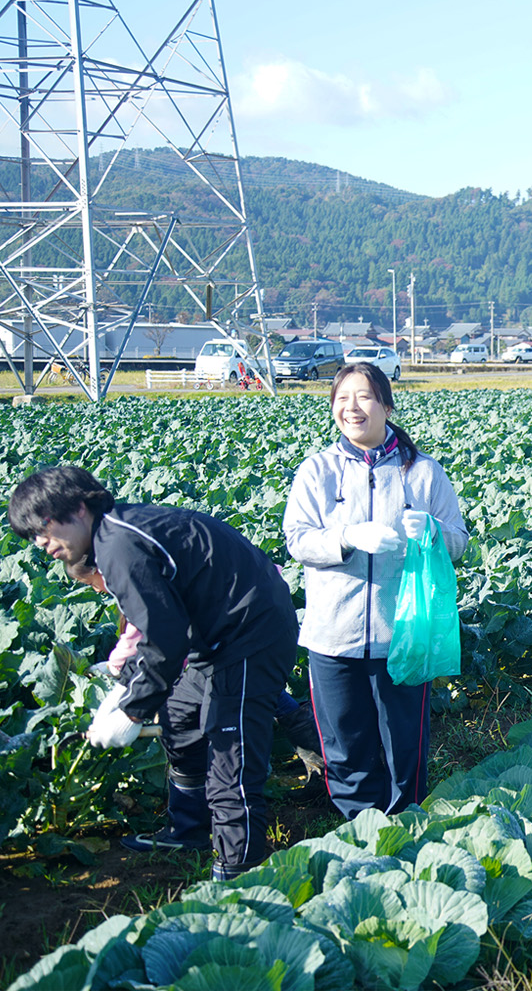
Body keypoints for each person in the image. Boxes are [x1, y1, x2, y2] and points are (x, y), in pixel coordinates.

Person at [10, 466, 297, 880]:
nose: (40, 542)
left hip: (250, 634)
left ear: (77, 508)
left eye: (43, 526)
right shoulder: (115, 533)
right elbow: (155, 630)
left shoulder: (119, 545)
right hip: (215, 635)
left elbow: (165, 641)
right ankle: (190, 828)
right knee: (180, 719)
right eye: (32, 536)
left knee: (230, 755)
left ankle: (241, 871)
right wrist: (124, 693)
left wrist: (132, 712)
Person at [283, 362, 470, 821]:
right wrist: (345, 537)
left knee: (402, 744)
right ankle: (359, 829)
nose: (353, 407)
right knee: (345, 746)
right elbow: (297, 539)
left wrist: (431, 531)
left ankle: (406, 827)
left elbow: (459, 542)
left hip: (402, 633)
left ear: (386, 405)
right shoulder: (318, 471)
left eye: (364, 396)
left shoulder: (424, 473)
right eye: (342, 398)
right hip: (334, 635)